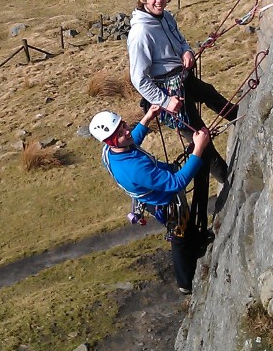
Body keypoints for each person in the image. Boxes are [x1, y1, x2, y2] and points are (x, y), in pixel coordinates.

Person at [127, 0, 237, 183]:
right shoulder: (140, 33)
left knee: (209, 93)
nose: (158, 0)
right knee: (198, 134)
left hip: (183, 77)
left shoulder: (166, 18)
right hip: (167, 91)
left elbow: (180, 41)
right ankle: (227, 178)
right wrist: (166, 102)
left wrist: (186, 51)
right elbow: (138, 79)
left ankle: (239, 116)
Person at [89, 104, 211, 294]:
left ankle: (196, 241)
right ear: (111, 141)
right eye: (121, 132)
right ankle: (185, 283)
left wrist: (148, 118)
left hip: (153, 198)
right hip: (165, 202)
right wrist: (198, 150)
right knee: (179, 238)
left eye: (124, 125)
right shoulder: (134, 169)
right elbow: (176, 183)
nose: (127, 131)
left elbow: (132, 141)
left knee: (185, 232)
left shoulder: (110, 151)